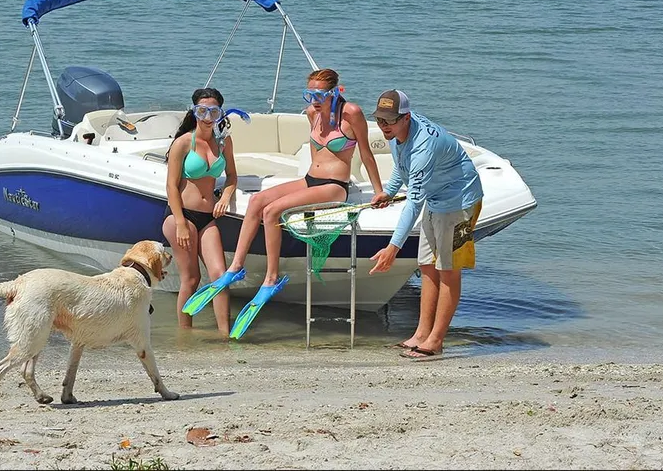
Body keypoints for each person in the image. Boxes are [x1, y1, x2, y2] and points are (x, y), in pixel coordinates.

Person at [188, 68, 385, 337]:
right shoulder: (311, 114)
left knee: (272, 212)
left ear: (334, 91)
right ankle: (236, 267)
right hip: (310, 179)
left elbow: (366, 152)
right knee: (258, 201)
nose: (314, 99)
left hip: (334, 186)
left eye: (320, 94)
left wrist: (378, 191)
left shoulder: (350, 113)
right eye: (310, 94)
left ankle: (270, 278)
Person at [368, 89, 483, 360]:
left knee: (448, 270)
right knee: (427, 265)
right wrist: (390, 190)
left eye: (389, 121)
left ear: (406, 117)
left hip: (460, 202)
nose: (384, 126)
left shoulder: (424, 148)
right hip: (437, 199)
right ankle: (420, 334)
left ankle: (436, 340)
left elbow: (413, 204)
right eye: (380, 120)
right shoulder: (398, 132)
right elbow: (400, 163)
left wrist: (392, 248)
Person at [162, 88, 238, 335]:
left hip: (208, 218)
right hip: (181, 215)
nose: (207, 116)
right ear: (194, 111)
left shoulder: (224, 143)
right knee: (191, 279)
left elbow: (232, 177)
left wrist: (225, 196)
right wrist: (181, 223)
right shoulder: (183, 142)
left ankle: (226, 336)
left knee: (221, 276)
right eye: (202, 111)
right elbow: (171, 186)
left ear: (220, 114)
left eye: (213, 111)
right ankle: (185, 335)